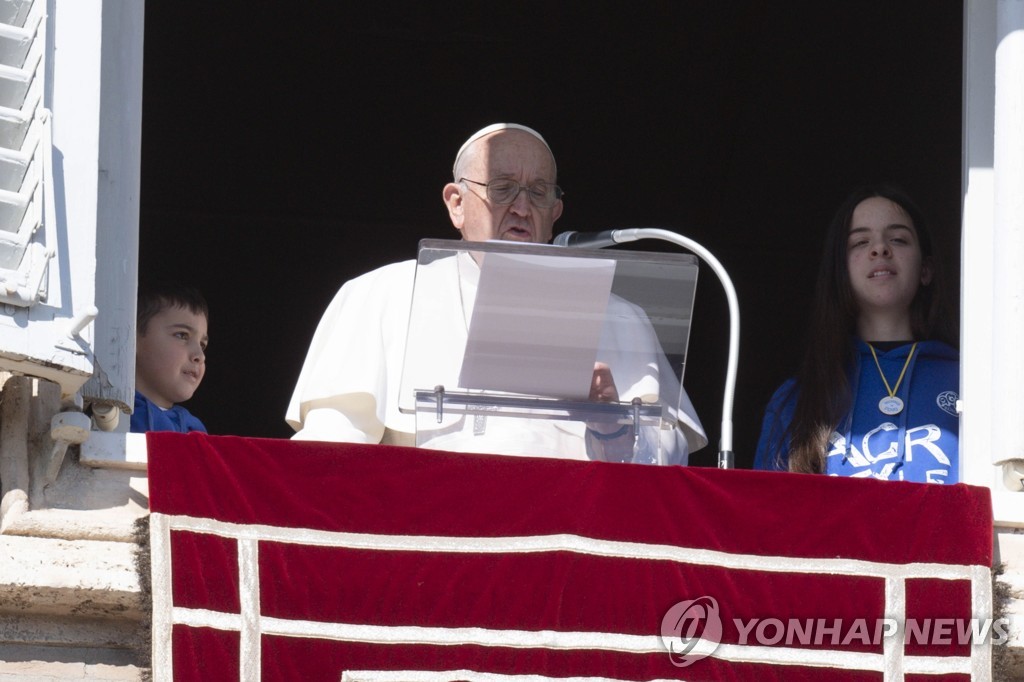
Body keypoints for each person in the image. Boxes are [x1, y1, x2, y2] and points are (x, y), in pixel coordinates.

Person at [286, 122, 706, 464]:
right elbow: (330, 453)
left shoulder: (622, 319)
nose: (521, 208)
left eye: (538, 193)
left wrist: (614, 428)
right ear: (456, 203)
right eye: (503, 189)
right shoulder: (382, 294)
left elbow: (670, 463)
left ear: (555, 212)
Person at [754, 184, 959, 483]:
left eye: (898, 239)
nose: (880, 249)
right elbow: (766, 517)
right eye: (860, 242)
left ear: (925, 269)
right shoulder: (795, 399)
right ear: (840, 272)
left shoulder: (973, 385)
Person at [130, 283, 209, 433]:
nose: (200, 355)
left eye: (202, 344)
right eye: (182, 335)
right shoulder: (109, 416)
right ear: (132, 339)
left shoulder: (194, 430)